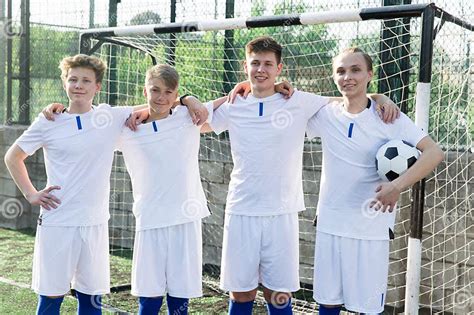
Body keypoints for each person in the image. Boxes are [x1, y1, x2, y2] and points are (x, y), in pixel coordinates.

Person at [203, 36, 399, 315]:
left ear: (279, 68)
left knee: (279, 292)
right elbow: (196, 121)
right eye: (254, 64)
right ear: (244, 67)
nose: (261, 70)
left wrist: (378, 96)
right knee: (241, 291)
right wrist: (226, 94)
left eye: (268, 64)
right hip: (241, 209)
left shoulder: (298, 101)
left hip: (282, 212)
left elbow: (345, 101)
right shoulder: (234, 105)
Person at [304, 47, 444, 314]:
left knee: (367, 308)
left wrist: (397, 185)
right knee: (328, 303)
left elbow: (434, 152)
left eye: (355, 70)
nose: (348, 77)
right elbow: (284, 98)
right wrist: (377, 95)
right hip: (330, 225)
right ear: (334, 76)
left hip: (370, 228)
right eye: (341, 71)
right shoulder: (326, 113)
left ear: (370, 74)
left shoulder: (388, 117)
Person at [117, 64, 224, 315]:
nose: (160, 97)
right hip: (150, 218)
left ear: (176, 95)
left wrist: (190, 99)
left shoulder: (189, 118)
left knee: (181, 294)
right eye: (155, 90)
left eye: (168, 92)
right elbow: (93, 119)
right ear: (145, 91)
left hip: (186, 218)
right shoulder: (128, 129)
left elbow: (229, 100)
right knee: (149, 294)